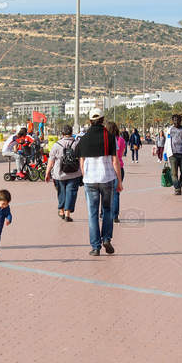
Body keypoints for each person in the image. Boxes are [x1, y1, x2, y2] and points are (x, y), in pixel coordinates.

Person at [77, 110, 118, 257]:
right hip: (107, 178)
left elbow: (81, 162)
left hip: (90, 180)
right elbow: (115, 161)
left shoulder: (84, 138)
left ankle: (95, 247)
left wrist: (84, 176)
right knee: (107, 210)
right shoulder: (110, 137)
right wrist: (118, 180)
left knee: (92, 214)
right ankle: (106, 238)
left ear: (90, 121)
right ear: (102, 120)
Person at [47, 123, 81, 221]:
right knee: (71, 192)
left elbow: (51, 160)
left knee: (61, 192)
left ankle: (61, 210)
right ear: (71, 133)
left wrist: (47, 173)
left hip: (59, 174)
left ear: (62, 133)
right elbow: (82, 158)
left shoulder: (57, 145)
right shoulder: (77, 143)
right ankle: (67, 214)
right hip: (74, 173)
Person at [159, 114, 182, 195]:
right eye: (174, 120)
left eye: (178, 120)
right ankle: (177, 188)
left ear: (180, 120)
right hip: (172, 154)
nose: (176, 122)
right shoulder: (169, 130)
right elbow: (167, 143)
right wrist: (165, 153)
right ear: (172, 121)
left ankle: (179, 185)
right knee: (174, 173)